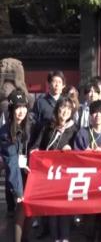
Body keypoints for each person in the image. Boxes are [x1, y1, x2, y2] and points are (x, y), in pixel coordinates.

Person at [32, 97, 78, 242]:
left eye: (68, 109)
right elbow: (36, 146)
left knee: (63, 207)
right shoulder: (48, 126)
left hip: (65, 174)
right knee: (51, 208)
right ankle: (54, 237)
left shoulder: (74, 129)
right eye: (62, 107)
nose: (65, 111)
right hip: (49, 173)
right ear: (57, 109)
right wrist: (33, 154)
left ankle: (64, 237)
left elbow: (78, 151)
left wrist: (70, 149)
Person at [73, 100, 101, 242]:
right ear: (90, 115)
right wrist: (86, 154)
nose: (98, 115)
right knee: (90, 214)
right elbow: (75, 156)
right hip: (88, 179)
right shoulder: (82, 133)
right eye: (95, 112)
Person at [0, 89, 33, 242]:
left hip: (29, 175)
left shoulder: (29, 125)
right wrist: (18, 191)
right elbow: (12, 162)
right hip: (15, 179)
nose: (21, 111)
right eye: (18, 107)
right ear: (12, 109)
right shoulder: (6, 132)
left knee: (29, 213)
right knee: (19, 210)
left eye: (24, 107)